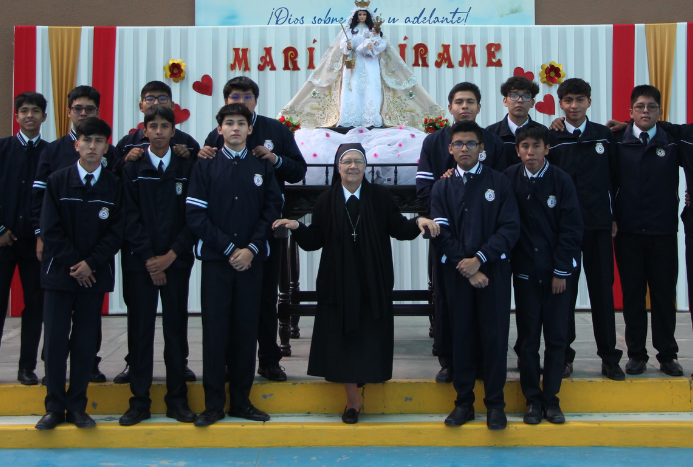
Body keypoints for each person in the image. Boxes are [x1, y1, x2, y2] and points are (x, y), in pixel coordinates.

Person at [272, 143, 439, 424]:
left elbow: (399, 228)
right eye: (347, 161)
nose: (352, 166)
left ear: (365, 167)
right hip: (337, 281)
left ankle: (365, 378)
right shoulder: (326, 199)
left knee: (369, 335)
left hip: (373, 279)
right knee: (343, 339)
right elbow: (315, 240)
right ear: (338, 167)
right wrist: (298, 227)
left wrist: (419, 221)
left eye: (358, 161)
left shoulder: (380, 196)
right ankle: (352, 402)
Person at [200, 76, 307, 382]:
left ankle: (269, 360)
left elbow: (299, 170)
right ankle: (226, 364)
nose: (241, 102)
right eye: (235, 97)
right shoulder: (217, 133)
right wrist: (202, 153)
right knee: (227, 305)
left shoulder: (276, 130)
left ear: (256, 100)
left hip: (265, 230)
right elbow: (208, 175)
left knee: (264, 299)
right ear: (226, 103)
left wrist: (275, 159)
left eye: (247, 96)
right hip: (225, 235)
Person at [187, 103, 283, 427]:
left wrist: (251, 249)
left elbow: (271, 210)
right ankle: (213, 405)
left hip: (251, 263)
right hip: (217, 262)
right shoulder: (205, 165)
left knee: (245, 331)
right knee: (215, 333)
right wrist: (230, 248)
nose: (235, 128)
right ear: (220, 130)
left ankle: (241, 401)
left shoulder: (262, 166)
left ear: (250, 129)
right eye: (229, 123)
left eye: (241, 123)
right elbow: (195, 215)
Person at [35, 118, 124, 430]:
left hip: (94, 277)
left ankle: (77, 407)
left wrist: (91, 264)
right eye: (87, 140)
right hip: (60, 276)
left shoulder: (114, 185)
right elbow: (50, 229)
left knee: (85, 344)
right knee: (55, 343)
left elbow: (116, 232)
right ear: (77, 144)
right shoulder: (58, 181)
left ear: (106, 147)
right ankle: (53, 408)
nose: (92, 146)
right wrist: (76, 264)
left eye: (99, 141)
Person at [430, 121, 520, 430]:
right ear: (450, 148)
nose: (464, 148)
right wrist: (467, 267)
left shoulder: (499, 182)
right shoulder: (441, 187)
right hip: (458, 275)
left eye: (471, 143)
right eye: (458, 144)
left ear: (481, 148)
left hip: (493, 273)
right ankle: (464, 403)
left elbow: (510, 228)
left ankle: (495, 404)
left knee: (494, 339)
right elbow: (440, 233)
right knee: (462, 338)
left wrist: (480, 259)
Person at [416, 81, 506, 383]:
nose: (464, 106)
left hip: (485, 240)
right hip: (447, 237)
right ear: (450, 107)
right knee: (447, 304)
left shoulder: (493, 142)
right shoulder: (433, 142)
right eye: (459, 102)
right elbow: (424, 189)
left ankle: (482, 363)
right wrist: (447, 187)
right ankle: (449, 361)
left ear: (479, 107)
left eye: (470, 102)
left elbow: (500, 188)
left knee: (486, 309)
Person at [607, 89, 693, 378]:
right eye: (639, 107)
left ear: (660, 112)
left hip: (663, 231)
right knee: (633, 295)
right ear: (631, 112)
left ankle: (667, 355)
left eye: (651, 107)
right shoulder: (617, 141)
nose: (645, 111)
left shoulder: (673, 141)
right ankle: (636, 354)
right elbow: (607, 182)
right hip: (628, 231)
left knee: (663, 295)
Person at [112, 80, 199, 385]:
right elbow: (126, 212)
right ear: (144, 128)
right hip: (140, 261)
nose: (159, 131)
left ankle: (178, 385)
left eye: (165, 126)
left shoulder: (187, 156)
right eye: (153, 126)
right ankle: (138, 389)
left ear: (173, 129)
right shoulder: (128, 153)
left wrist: (170, 256)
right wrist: (151, 259)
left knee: (176, 322)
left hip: (176, 259)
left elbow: (193, 214)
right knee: (139, 323)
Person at [32, 85, 116, 383]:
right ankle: (54, 391)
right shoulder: (54, 158)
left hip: (94, 266)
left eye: (89, 109)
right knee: (55, 333)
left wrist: (91, 263)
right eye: (78, 109)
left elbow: (116, 224)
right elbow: (45, 213)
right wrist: (45, 239)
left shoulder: (112, 167)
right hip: (59, 264)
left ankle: (85, 381)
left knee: (86, 334)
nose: (83, 113)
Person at [505, 123, 584, 425]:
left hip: (557, 277)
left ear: (547, 149)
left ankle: (551, 400)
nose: (530, 152)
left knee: (556, 338)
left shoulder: (561, 181)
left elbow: (571, 229)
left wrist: (561, 271)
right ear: (517, 151)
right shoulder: (508, 179)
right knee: (528, 340)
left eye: (536, 146)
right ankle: (532, 400)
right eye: (525, 147)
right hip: (525, 274)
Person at [548, 78, 624, 380]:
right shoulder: (552, 137)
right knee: (563, 294)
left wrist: (614, 216)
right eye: (568, 100)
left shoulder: (604, 136)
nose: (574, 106)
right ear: (560, 104)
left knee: (602, 292)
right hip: (564, 231)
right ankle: (563, 357)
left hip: (598, 226)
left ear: (589, 102)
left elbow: (616, 179)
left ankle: (609, 357)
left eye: (580, 99)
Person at [278, 4, 443, 129]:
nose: (362, 17)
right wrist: (348, 46)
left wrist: (373, 46)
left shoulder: (373, 31)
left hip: (370, 64)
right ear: (356, 16)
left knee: (371, 88)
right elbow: (343, 45)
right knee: (352, 88)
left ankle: (371, 117)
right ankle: (351, 117)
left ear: (367, 16)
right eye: (360, 14)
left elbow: (381, 45)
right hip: (353, 65)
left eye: (364, 14)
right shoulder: (351, 31)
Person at [0, 92, 48, 385]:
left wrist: (42, 234)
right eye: (24, 110)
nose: (30, 115)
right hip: (2, 242)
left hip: (35, 244)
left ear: (44, 117)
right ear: (16, 115)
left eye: (35, 111)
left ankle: (26, 367)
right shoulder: (3, 148)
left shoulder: (50, 152)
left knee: (35, 306)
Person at [113, 80, 200, 174]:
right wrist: (125, 160)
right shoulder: (126, 144)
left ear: (172, 105)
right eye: (150, 99)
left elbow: (199, 175)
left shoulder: (188, 143)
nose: (156, 103)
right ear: (141, 106)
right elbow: (113, 175)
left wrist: (187, 160)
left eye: (163, 98)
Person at [486, 76, 540, 168]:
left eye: (526, 96)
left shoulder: (542, 132)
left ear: (532, 102)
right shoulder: (491, 133)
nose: (520, 100)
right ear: (505, 101)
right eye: (514, 95)